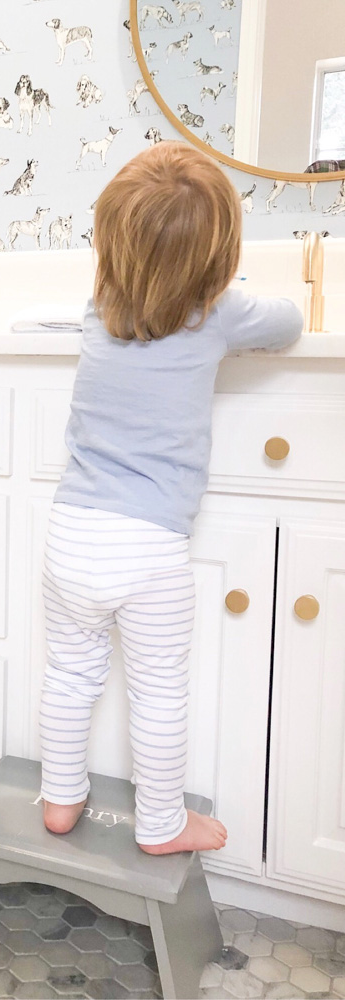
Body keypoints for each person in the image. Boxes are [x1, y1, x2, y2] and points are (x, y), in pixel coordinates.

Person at [39, 142, 303, 854]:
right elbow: (292, 324)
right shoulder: (216, 313)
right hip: (150, 548)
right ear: (219, 259)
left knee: (69, 673)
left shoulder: (99, 306)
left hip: (70, 534)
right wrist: (225, 287)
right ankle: (161, 823)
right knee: (157, 692)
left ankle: (59, 799)